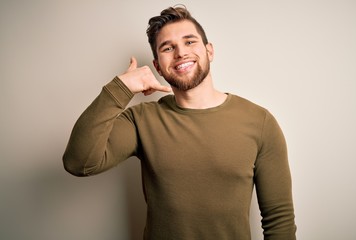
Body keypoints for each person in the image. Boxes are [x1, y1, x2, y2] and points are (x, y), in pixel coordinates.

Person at [63, 5, 297, 240]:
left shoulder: (259, 121)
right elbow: (79, 162)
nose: (181, 53)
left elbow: (279, 219)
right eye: (168, 48)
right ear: (157, 67)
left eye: (189, 42)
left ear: (210, 51)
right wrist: (120, 89)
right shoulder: (141, 120)